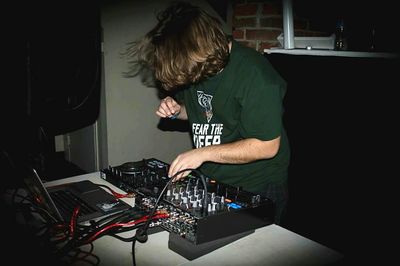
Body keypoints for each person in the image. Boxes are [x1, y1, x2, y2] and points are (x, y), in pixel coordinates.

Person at [127, 1, 290, 225]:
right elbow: (198, 112)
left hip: (258, 186)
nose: (185, 79)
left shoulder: (256, 75)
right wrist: (176, 111)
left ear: (198, 50)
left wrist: (201, 154)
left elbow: (267, 146)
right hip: (214, 179)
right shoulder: (198, 66)